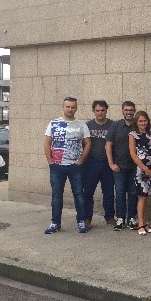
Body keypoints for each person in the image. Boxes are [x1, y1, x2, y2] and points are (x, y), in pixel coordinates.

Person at [43, 96, 90, 234]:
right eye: (67, 106)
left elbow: (88, 143)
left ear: (76, 108)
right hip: (57, 166)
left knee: (79, 195)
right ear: (63, 107)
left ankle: (81, 222)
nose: (70, 109)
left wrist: (80, 161)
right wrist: (50, 162)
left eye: (73, 107)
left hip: (75, 166)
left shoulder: (81, 125)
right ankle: (55, 223)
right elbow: (47, 143)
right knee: (56, 196)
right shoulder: (53, 124)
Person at [106, 101, 138, 231]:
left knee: (133, 193)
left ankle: (131, 218)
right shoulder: (115, 126)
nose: (128, 112)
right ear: (122, 111)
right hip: (119, 167)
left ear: (134, 111)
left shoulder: (138, 126)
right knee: (119, 193)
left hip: (134, 167)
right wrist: (111, 163)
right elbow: (108, 144)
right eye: (126, 110)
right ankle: (120, 218)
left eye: (131, 110)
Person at [82, 100, 114, 228]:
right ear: (93, 111)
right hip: (91, 163)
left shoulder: (113, 125)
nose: (100, 113)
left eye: (102, 110)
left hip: (107, 163)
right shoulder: (87, 125)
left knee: (109, 192)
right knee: (88, 192)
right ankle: (87, 218)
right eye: (97, 110)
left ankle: (110, 217)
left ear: (106, 110)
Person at [129, 111, 151, 236]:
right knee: (141, 197)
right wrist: (144, 169)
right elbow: (133, 154)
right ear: (136, 122)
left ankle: (145, 223)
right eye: (140, 121)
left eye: (145, 120)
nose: (143, 123)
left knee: (147, 197)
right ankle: (140, 224)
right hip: (140, 171)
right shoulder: (133, 135)